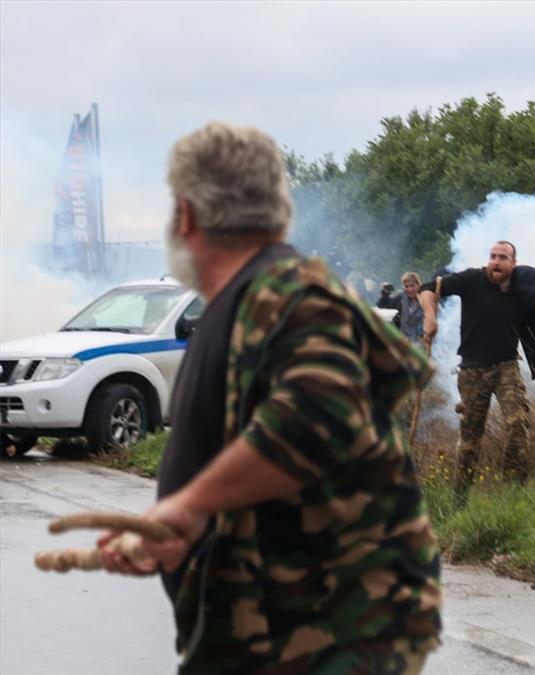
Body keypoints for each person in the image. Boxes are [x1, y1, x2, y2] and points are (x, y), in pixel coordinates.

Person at [98, 122, 441, 674]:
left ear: (186, 215)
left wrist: (184, 509)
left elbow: (312, 423)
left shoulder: (287, 294)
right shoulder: (246, 301)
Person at [419, 241, 535, 498]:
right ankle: (461, 496)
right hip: (473, 370)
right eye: (493, 256)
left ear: (513, 263)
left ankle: (513, 490)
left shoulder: (520, 285)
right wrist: (430, 317)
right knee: (470, 438)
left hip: (507, 367)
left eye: (503, 257)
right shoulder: (472, 279)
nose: (496, 261)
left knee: (518, 425)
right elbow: (428, 288)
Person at [377, 272, 424, 343]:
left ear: (418, 285)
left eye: (412, 286)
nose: (410, 289)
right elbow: (382, 305)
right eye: (407, 287)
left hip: (423, 339)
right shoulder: (400, 298)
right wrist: (386, 292)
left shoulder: (426, 297)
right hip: (405, 340)